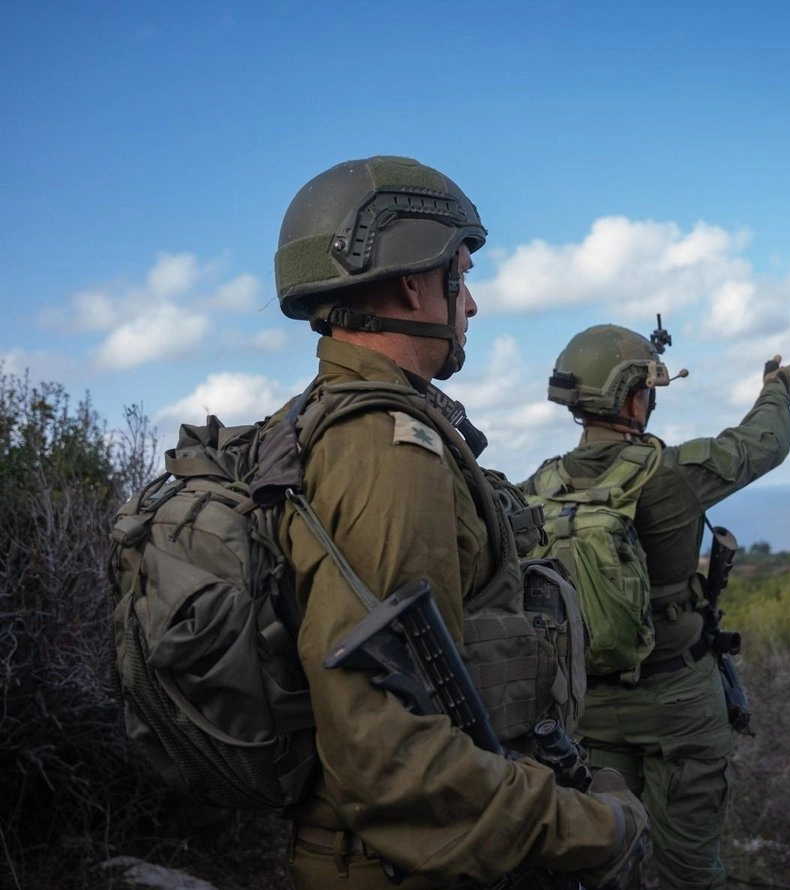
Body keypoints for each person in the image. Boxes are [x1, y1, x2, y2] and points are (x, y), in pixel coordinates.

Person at [271, 156, 646, 890]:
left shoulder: (324, 420)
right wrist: (588, 828)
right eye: (460, 275)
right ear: (414, 281)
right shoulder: (386, 452)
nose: (469, 304)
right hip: (407, 864)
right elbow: (385, 751)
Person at [522, 324, 790, 890]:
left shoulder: (538, 488)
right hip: (679, 705)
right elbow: (762, 444)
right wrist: (776, 389)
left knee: (597, 866)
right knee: (689, 871)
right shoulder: (669, 472)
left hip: (585, 710)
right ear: (634, 396)